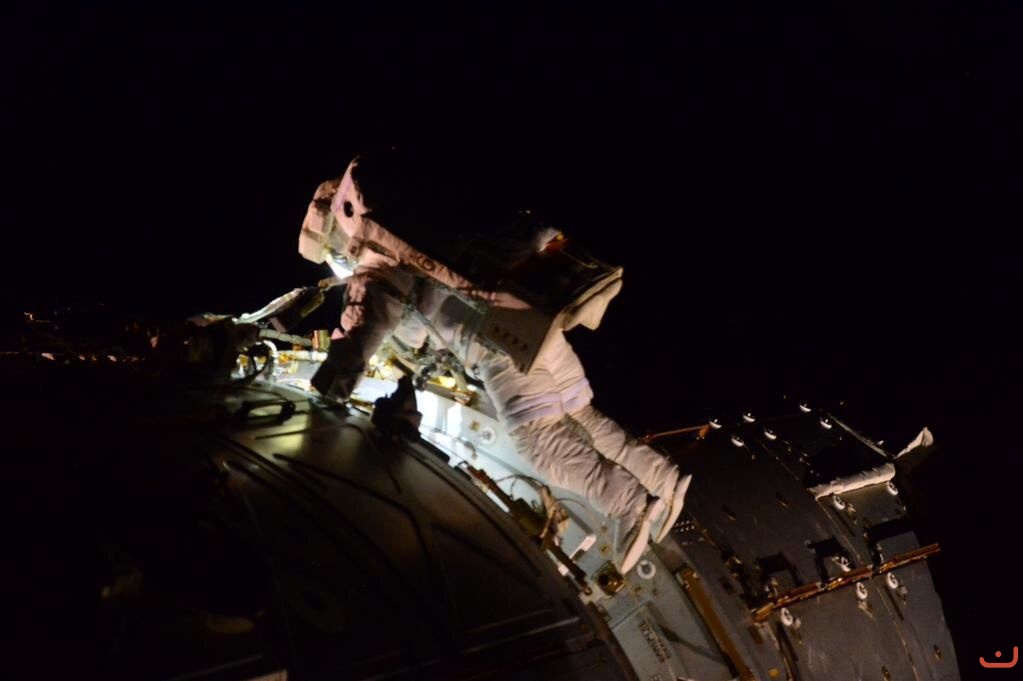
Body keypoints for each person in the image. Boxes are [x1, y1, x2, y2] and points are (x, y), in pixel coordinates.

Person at [297, 150, 690, 573]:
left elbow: (358, 339)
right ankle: (664, 482)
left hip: (498, 346)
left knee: (538, 442)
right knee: (582, 418)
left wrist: (323, 398)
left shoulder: (378, 262)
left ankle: (631, 506)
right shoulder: (429, 220)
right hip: (536, 324)